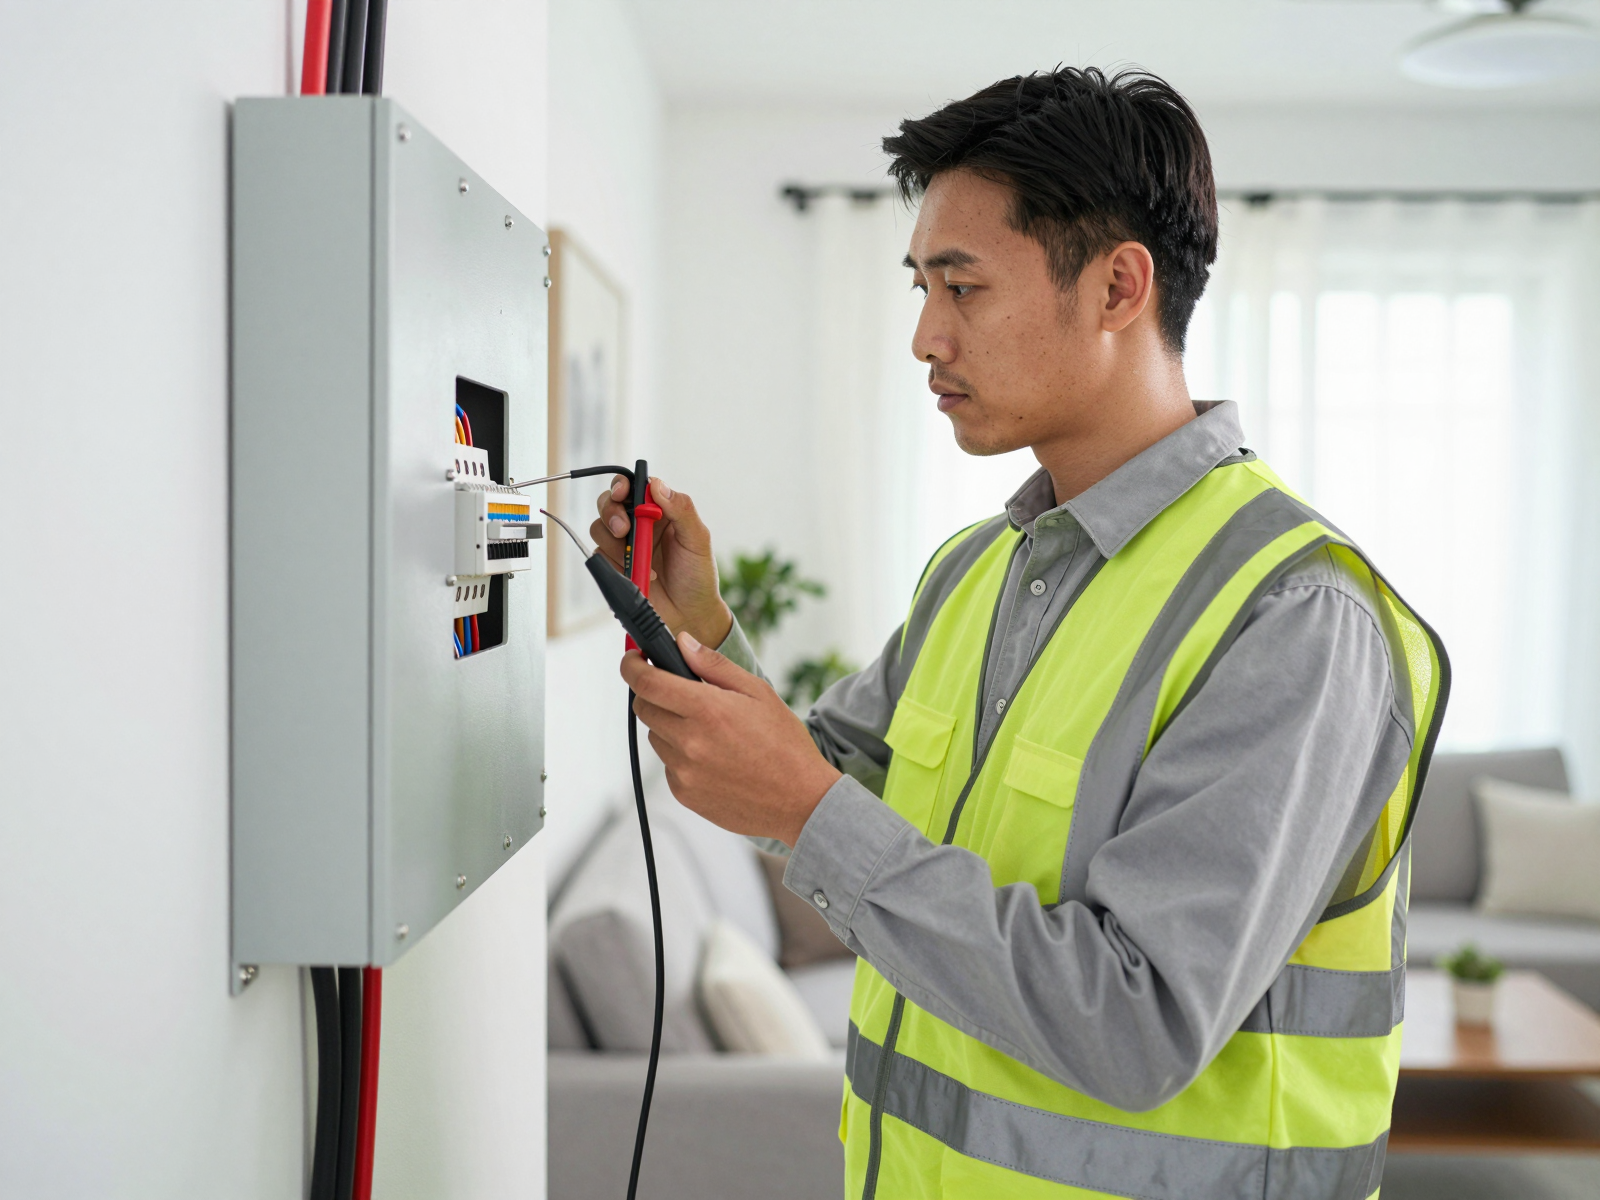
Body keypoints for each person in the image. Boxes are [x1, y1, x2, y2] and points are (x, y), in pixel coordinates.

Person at [594, 67, 1447, 1200]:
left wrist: (804, 807)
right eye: (919, 286)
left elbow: (1137, 1023)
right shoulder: (975, 570)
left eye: (962, 288)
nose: (923, 337)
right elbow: (836, 795)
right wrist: (697, 631)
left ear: (1117, 287)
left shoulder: (1291, 615)